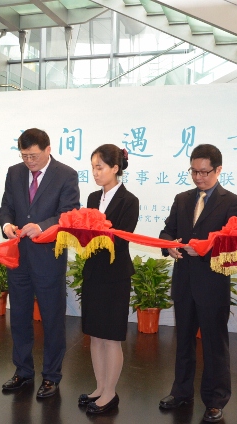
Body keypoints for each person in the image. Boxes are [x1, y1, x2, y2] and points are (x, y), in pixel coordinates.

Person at [158, 144, 237, 423]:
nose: (198, 177)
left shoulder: (233, 202)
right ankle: (181, 391)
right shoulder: (182, 198)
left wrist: (207, 249)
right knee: (182, 340)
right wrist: (168, 246)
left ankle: (216, 399)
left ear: (218, 170)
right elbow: (167, 230)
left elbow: (233, 245)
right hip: (184, 280)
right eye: (194, 171)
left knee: (214, 343)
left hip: (212, 283)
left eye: (204, 172)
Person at [0, 128, 80, 398]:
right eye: (24, 156)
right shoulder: (15, 172)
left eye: (33, 155)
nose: (29, 161)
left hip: (48, 258)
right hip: (18, 257)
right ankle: (22, 371)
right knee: (19, 317)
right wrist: (7, 223)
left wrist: (42, 226)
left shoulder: (66, 174)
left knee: (52, 319)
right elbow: (6, 206)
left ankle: (52, 376)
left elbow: (69, 214)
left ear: (48, 149)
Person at [79, 145, 139, 414]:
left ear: (116, 168)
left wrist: (95, 231)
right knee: (95, 335)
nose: (95, 172)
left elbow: (120, 238)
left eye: (100, 167)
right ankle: (99, 387)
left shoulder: (129, 201)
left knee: (111, 336)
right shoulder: (92, 198)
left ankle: (111, 393)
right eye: (93, 167)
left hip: (115, 275)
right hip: (93, 272)